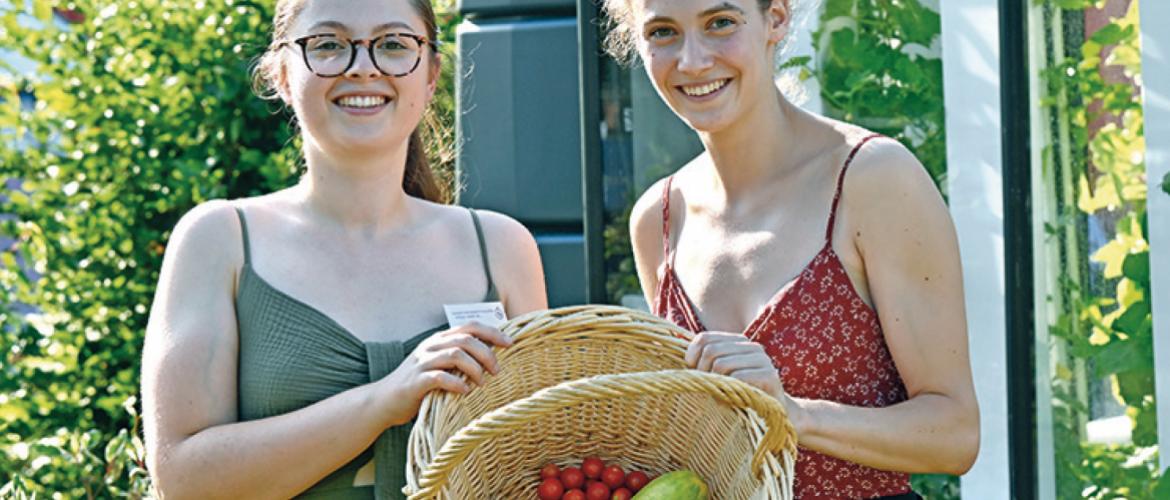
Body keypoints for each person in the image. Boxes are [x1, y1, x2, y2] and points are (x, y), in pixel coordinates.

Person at [140, 0, 547, 497]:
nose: (363, 67)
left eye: (394, 44)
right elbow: (184, 481)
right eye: (329, 45)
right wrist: (383, 400)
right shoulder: (219, 239)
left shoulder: (502, 247)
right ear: (283, 75)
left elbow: (540, 462)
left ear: (432, 74)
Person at [610, 0, 980, 497]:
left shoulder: (871, 180)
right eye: (662, 32)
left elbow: (956, 435)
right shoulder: (657, 219)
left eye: (721, 23)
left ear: (776, 18)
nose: (692, 61)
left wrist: (796, 414)